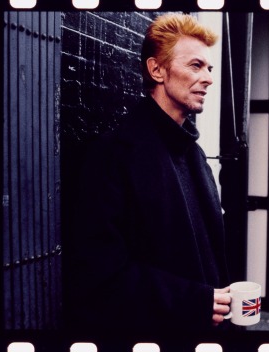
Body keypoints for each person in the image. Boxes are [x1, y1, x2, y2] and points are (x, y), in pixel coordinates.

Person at [64, 13, 232, 333]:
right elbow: (98, 274)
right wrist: (193, 302)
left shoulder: (195, 155)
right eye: (195, 66)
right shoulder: (114, 156)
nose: (209, 77)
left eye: (209, 68)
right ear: (157, 70)